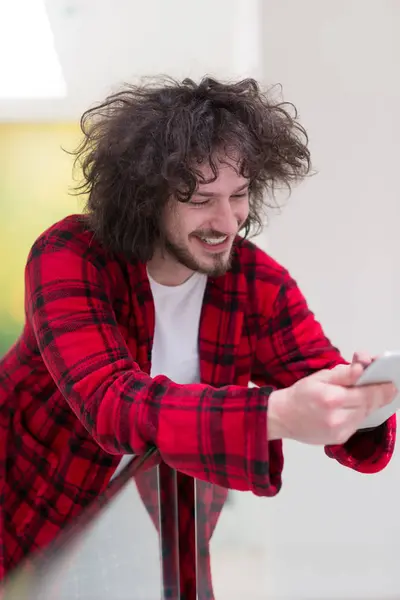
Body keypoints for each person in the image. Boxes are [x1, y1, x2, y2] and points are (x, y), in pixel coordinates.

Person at [0, 76, 396, 597]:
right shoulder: (70, 255)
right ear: (146, 196)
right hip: (23, 498)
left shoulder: (257, 283)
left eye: (239, 195)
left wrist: (361, 401)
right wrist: (274, 414)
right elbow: (113, 405)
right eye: (201, 198)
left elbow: (318, 376)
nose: (227, 221)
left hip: (153, 527)